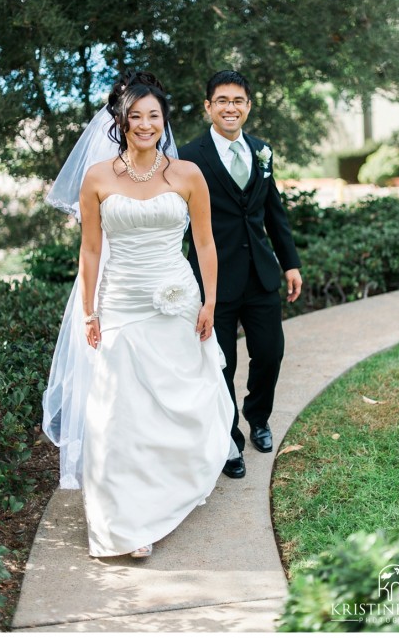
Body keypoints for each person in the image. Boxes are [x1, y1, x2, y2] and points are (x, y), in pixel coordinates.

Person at [42, 70, 234, 559]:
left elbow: (206, 243)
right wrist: (88, 311)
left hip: (177, 302)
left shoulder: (188, 174)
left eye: (154, 115)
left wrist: (210, 301)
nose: (145, 124)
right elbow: (90, 251)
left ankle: (164, 499)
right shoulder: (99, 178)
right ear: (121, 121)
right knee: (116, 416)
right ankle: (124, 525)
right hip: (120, 303)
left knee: (174, 406)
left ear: (164, 120)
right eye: (135, 116)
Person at [179, 70, 302, 479]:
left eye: (238, 101)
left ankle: (259, 417)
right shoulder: (189, 155)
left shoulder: (262, 151)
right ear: (208, 107)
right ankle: (229, 439)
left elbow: (273, 212)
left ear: (248, 106)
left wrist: (290, 262)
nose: (230, 108)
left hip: (262, 274)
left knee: (270, 353)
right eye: (222, 100)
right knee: (222, 364)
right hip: (214, 280)